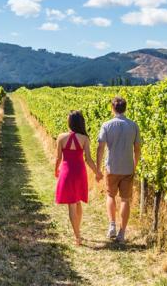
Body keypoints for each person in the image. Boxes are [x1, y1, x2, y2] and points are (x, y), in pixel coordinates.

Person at [96, 96, 141, 243]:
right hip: (127, 167)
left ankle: (112, 226)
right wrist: (134, 165)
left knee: (110, 196)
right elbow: (137, 149)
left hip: (112, 167)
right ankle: (122, 233)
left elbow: (100, 147)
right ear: (125, 108)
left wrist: (98, 167)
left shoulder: (107, 125)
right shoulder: (133, 126)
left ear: (112, 108)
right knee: (125, 199)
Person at [55, 110, 101, 245]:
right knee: (78, 201)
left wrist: (56, 170)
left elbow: (58, 158)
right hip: (80, 172)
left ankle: (77, 236)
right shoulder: (84, 138)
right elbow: (89, 159)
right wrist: (97, 172)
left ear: (69, 122)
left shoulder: (61, 137)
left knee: (71, 204)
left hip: (66, 171)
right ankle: (78, 230)